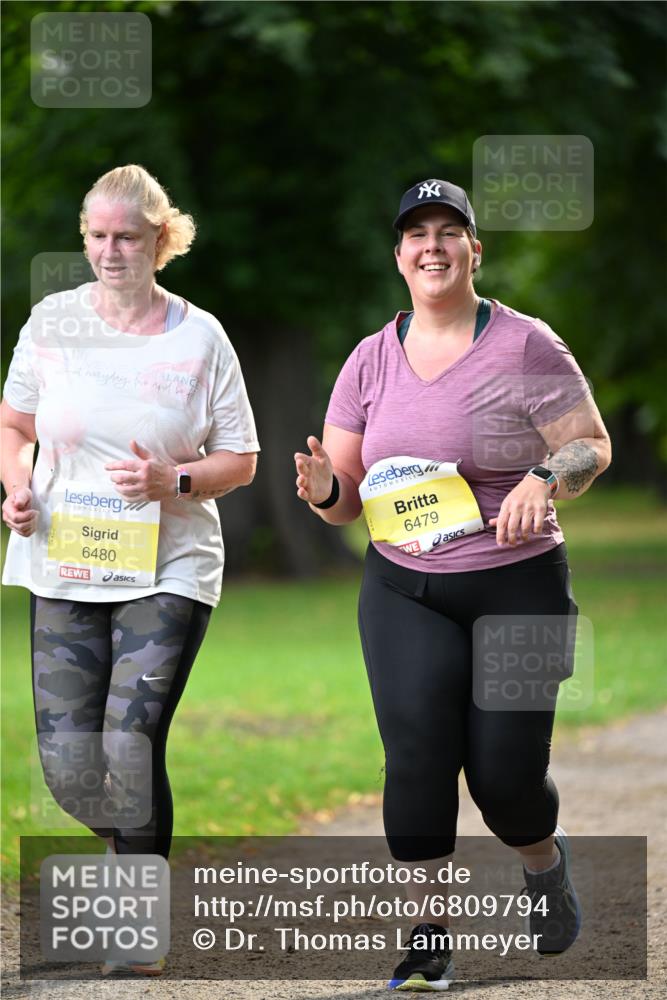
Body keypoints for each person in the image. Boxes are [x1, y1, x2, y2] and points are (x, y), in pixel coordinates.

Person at [295, 178, 611, 990]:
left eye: (448, 231)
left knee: (504, 778)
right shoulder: (369, 359)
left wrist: (546, 473)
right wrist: (324, 490)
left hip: (519, 584)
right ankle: (426, 939)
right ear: (398, 255)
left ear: (475, 248)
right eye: (415, 234)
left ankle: (542, 863)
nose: (431, 245)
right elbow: (343, 498)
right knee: (416, 757)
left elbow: (591, 446)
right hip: (404, 587)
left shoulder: (525, 345)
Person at [1, 164, 259, 975]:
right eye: (98, 237)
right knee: (70, 765)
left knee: (130, 741)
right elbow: (13, 426)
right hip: (64, 567)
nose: (111, 251)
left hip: (168, 566)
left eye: (128, 237)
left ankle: (136, 923)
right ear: (86, 239)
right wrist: (15, 489)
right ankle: (128, 855)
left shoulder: (200, 336)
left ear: (161, 240)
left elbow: (240, 459)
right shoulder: (53, 322)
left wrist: (171, 481)